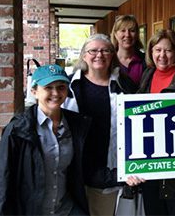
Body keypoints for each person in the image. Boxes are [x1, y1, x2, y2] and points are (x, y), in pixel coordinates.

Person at [0, 64, 90, 215]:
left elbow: (86, 170)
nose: (55, 93)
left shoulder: (77, 126)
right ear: (34, 91)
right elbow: (3, 178)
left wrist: (122, 176)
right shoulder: (18, 130)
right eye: (48, 87)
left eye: (61, 87)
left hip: (66, 210)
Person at [62, 33, 137, 216]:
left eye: (105, 50)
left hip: (107, 173)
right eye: (93, 50)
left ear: (112, 55)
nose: (99, 55)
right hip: (74, 171)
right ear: (84, 55)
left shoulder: (124, 85)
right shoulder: (69, 85)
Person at [135, 29, 175, 216]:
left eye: (168, 50)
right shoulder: (147, 75)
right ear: (151, 52)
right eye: (157, 50)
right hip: (150, 162)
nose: (162, 55)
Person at [111, 14, 146, 87]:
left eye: (132, 31)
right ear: (115, 34)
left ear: (137, 34)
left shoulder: (146, 60)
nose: (127, 35)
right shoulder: (109, 61)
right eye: (123, 30)